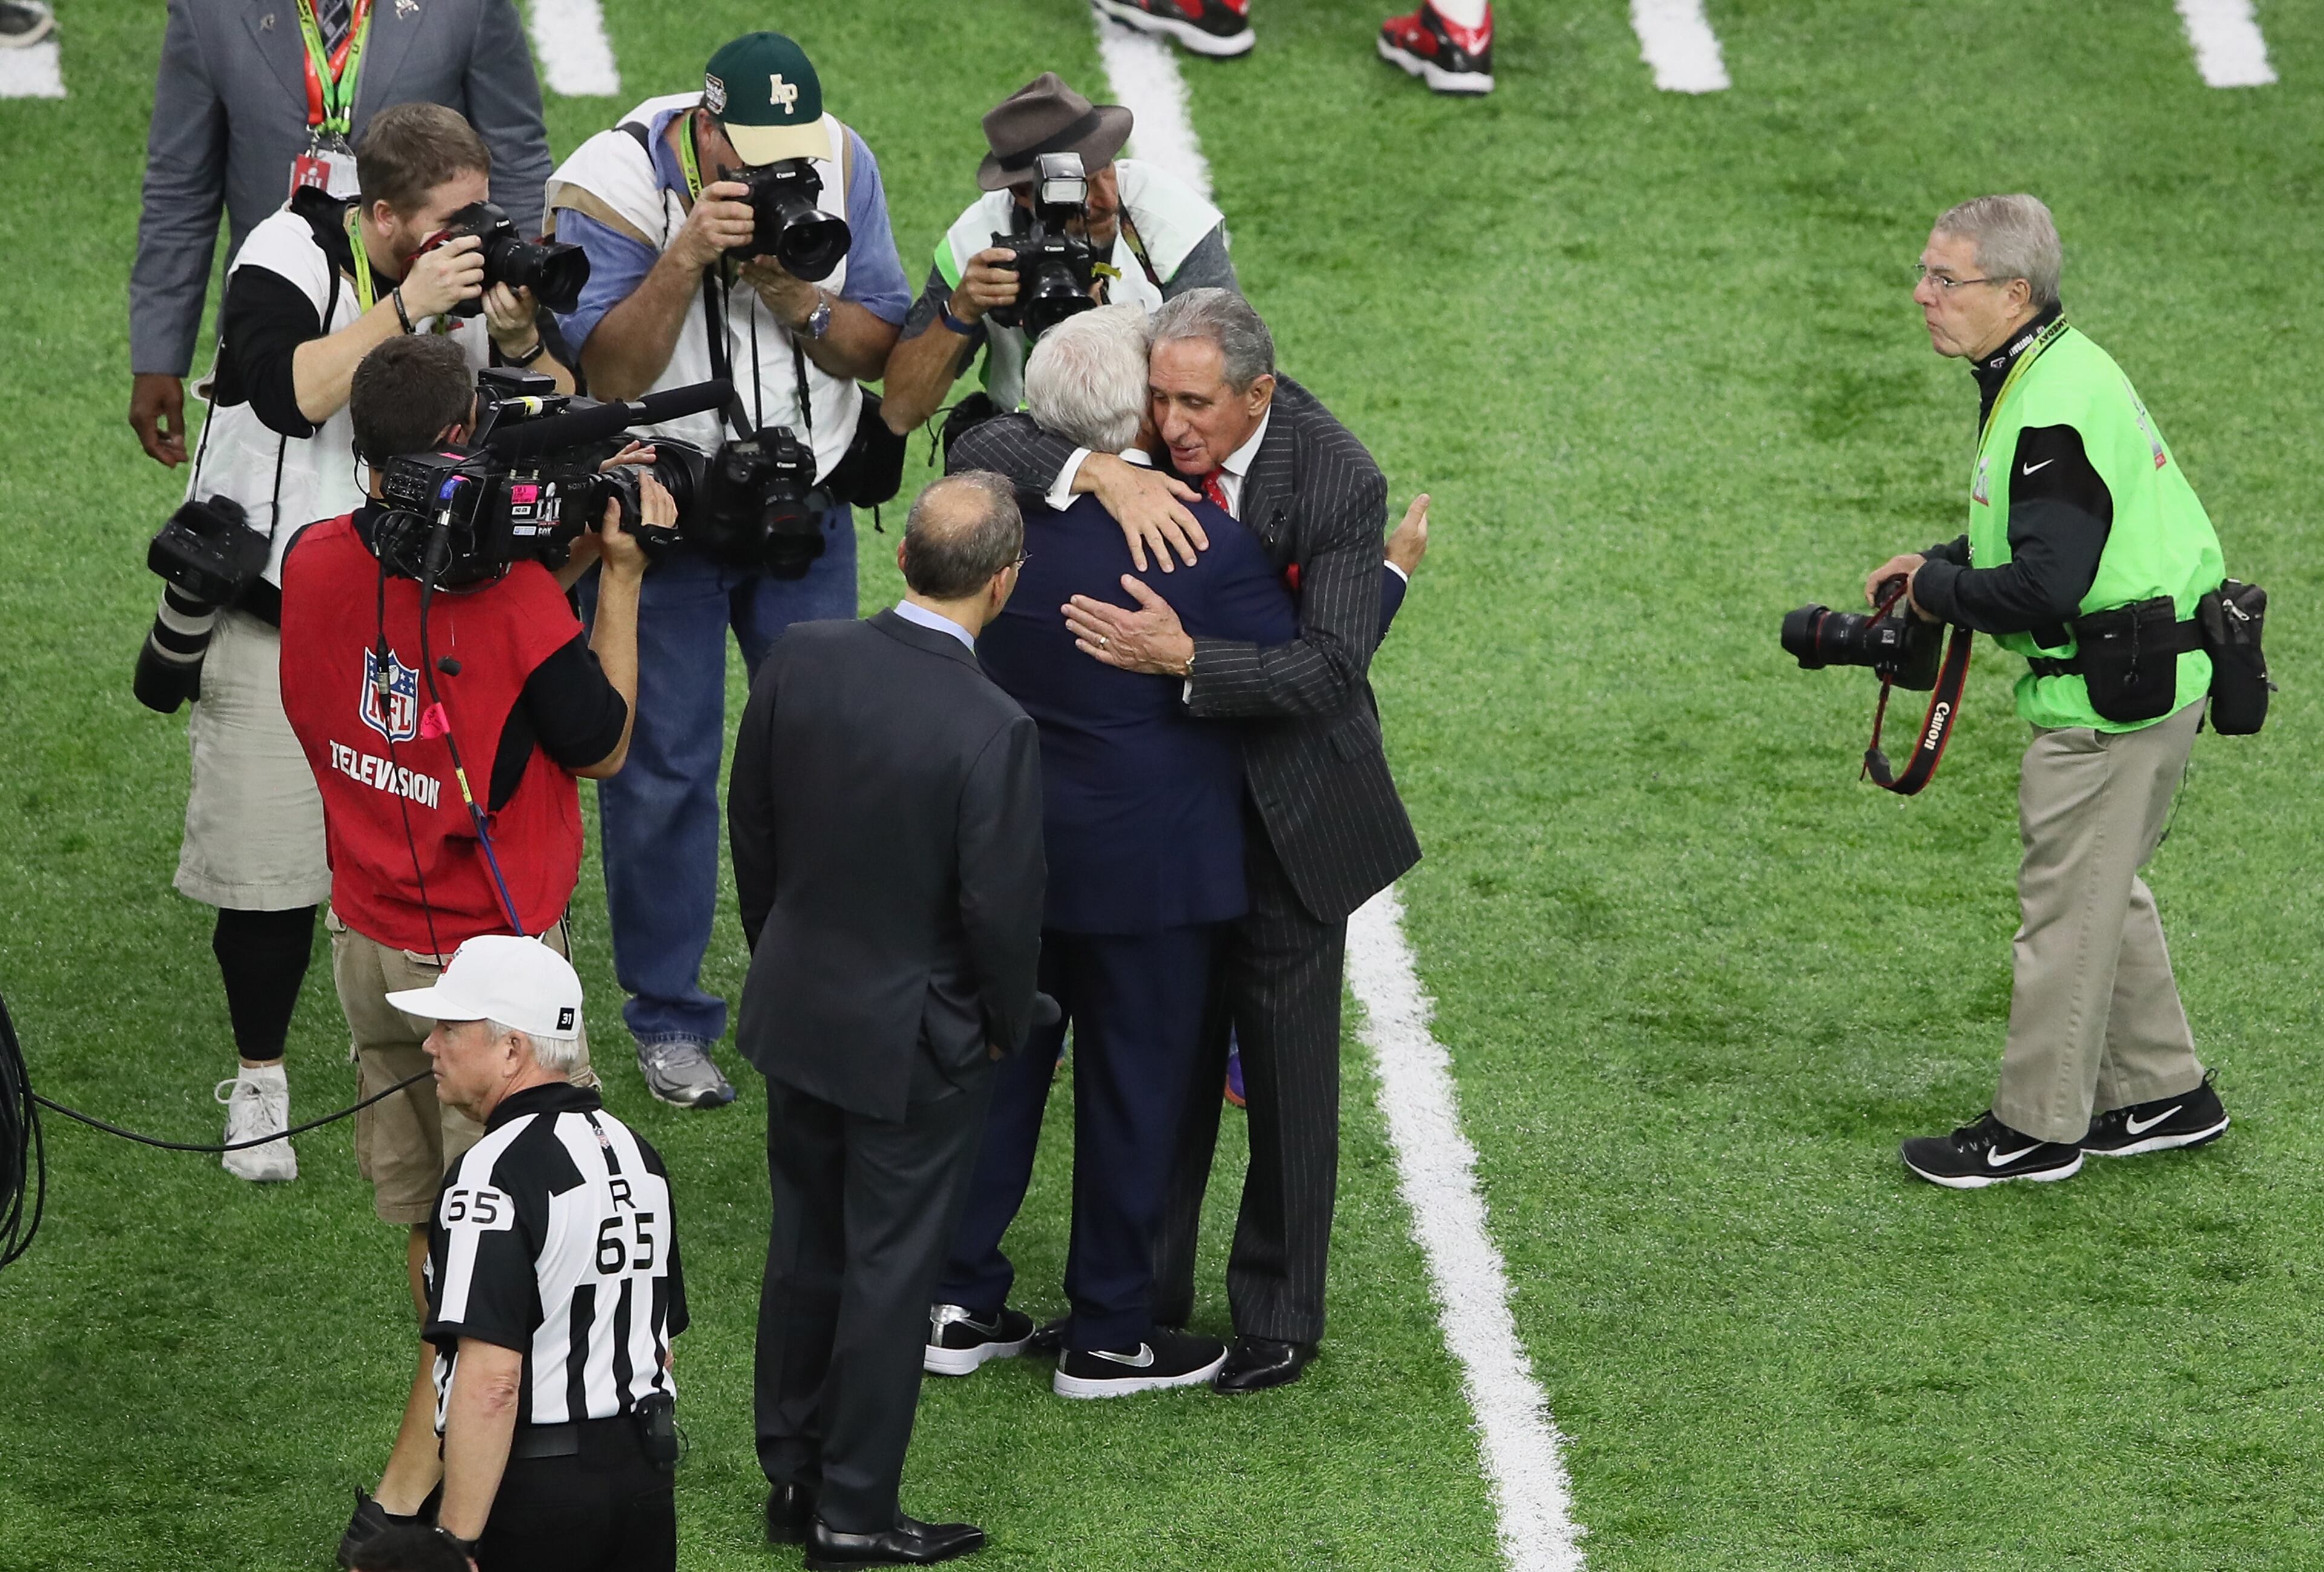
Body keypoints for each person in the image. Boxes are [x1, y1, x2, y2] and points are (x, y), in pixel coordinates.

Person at [951, 289, 1422, 1392]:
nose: (1174, 426)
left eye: (1196, 404)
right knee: (1157, 1068)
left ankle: (1277, 1313)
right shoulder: (1134, 449)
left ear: (1261, 394)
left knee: (1289, 1078)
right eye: (1159, 398)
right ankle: (1138, 1301)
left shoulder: (1336, 473)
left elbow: (1330, 669)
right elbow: (984, 435)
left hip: (1289, 816)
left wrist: (1186, 659)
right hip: (1173, 825)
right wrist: (1097, 471)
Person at [133, 103, 573, 1184]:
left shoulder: (459, 271)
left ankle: (450, 1067)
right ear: (381, 217)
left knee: (431, 861)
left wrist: (515, 335)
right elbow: (288, 394)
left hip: (425, 608)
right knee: (267, 866)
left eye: (481, 215)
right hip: (281, 603)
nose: (474, 238)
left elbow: (561, 409)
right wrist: (411, 310)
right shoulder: (286, 249)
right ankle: (261, 1083)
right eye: (450, 221)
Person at [274, 333, 660, 1557]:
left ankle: (418, 1461)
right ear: (458, 449)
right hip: (491, 980)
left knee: (435, 1226)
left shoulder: (317, 561)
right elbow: (599, 744)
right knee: (508, 1230)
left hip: (370, 943)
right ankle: (413, 1491)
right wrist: (620, 582)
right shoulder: (512, 597)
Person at [545, 30, 912, 1110]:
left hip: (807, 504)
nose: (768, 172)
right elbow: (605, 371)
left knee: (826, 761)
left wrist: (796, 296)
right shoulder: (609, 182)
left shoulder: (841, 156)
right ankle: (668, 1017)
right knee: (662, 772)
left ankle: (820, 992)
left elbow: (877, 342)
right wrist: (686, 259)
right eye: (746, 153)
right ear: (703, 129)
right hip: (667, 514)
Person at [1868, 194, 2232, 1188]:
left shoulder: (2051, 403)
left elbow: (2046, 583)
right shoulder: (2049, 368)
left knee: (2066, 909)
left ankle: (2035, 1127)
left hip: (2116, 698)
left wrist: (1939, 592)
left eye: (1947, 280)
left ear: (2013, 291)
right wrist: (1940, 564)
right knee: (2103, 890)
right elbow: (2041, 536)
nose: (1923, 295)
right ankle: (2164, 1092)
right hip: (2154, 671)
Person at [729, 473, 1043, 1565]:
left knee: (805, 1244)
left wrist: (783, 955)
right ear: (1002, 582)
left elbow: (753, 830)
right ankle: (853, 1512)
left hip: (800, 1010)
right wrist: (1003, 1024)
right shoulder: (994, 726)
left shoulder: (803, 657)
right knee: (889, 1272)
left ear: (906, 559)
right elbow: (1000, 914)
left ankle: (794, 1474)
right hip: (917, 1042)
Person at [131, 0, 552, 470]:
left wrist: (520, 285)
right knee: (278, 486)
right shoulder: (208, 10)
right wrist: (159, 353)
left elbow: (517, 154)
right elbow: (180, 186)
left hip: (434, 326)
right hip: (284, 308)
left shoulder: (467, 7)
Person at [386, 936, 686, 1572]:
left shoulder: (489, 1174)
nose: (429, 1046)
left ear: (512, 1049)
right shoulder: (638, 1154)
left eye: (449, 1027)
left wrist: (457, 1540)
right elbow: (658, 1341)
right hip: (644, 1481)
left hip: (539, 1493)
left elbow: (493, 1381)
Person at [879, 71, 1238, 436]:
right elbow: (900, 413)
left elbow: (1226, 383)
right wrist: (960, 312)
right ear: (1022, 192)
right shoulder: (976, 243)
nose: (1107, 199)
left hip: (1153, 436)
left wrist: (1113, 338)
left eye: (1107, 170)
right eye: (1081, 185)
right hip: (1024, 437)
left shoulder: (1170, 218)